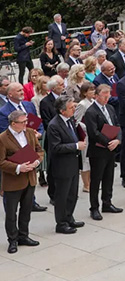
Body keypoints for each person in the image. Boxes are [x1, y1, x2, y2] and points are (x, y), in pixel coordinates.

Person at [0, 109, 43, 253]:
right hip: (13, 181)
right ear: (13, 123)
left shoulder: (30, 132)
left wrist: (36, 162)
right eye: (23, 122)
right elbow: (1, 162)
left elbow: (39, 150)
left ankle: (24, 236)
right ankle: (12, 240)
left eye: (26, 121)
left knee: (26, 211)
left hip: (30, 178)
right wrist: (18, 167)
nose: (26, 124)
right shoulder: (2, 138)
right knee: (11, 213)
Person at [82, 84, 122, 220]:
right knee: (96, 180)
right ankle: (94, 207)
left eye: (108, 95)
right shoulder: (91, 112)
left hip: (111, 149)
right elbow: (93, 132)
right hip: (98, 150)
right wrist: (108, 142)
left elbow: (117, 125)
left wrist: (118, 140)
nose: (107, 98)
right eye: (104, 95)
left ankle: (107, 202)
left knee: (109, 177)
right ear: (96, 95)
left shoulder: (110, 108)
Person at [46, 98, 85, 234]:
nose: (74, 109)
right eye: (71, 108)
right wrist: (75, 146)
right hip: (62, 166)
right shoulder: (54, 125)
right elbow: (55, 147)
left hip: (73, 163)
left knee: (72, 194)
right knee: (62, 196)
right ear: (62, 111)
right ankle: (61, 223)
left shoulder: (70, 121)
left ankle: (69, 217)